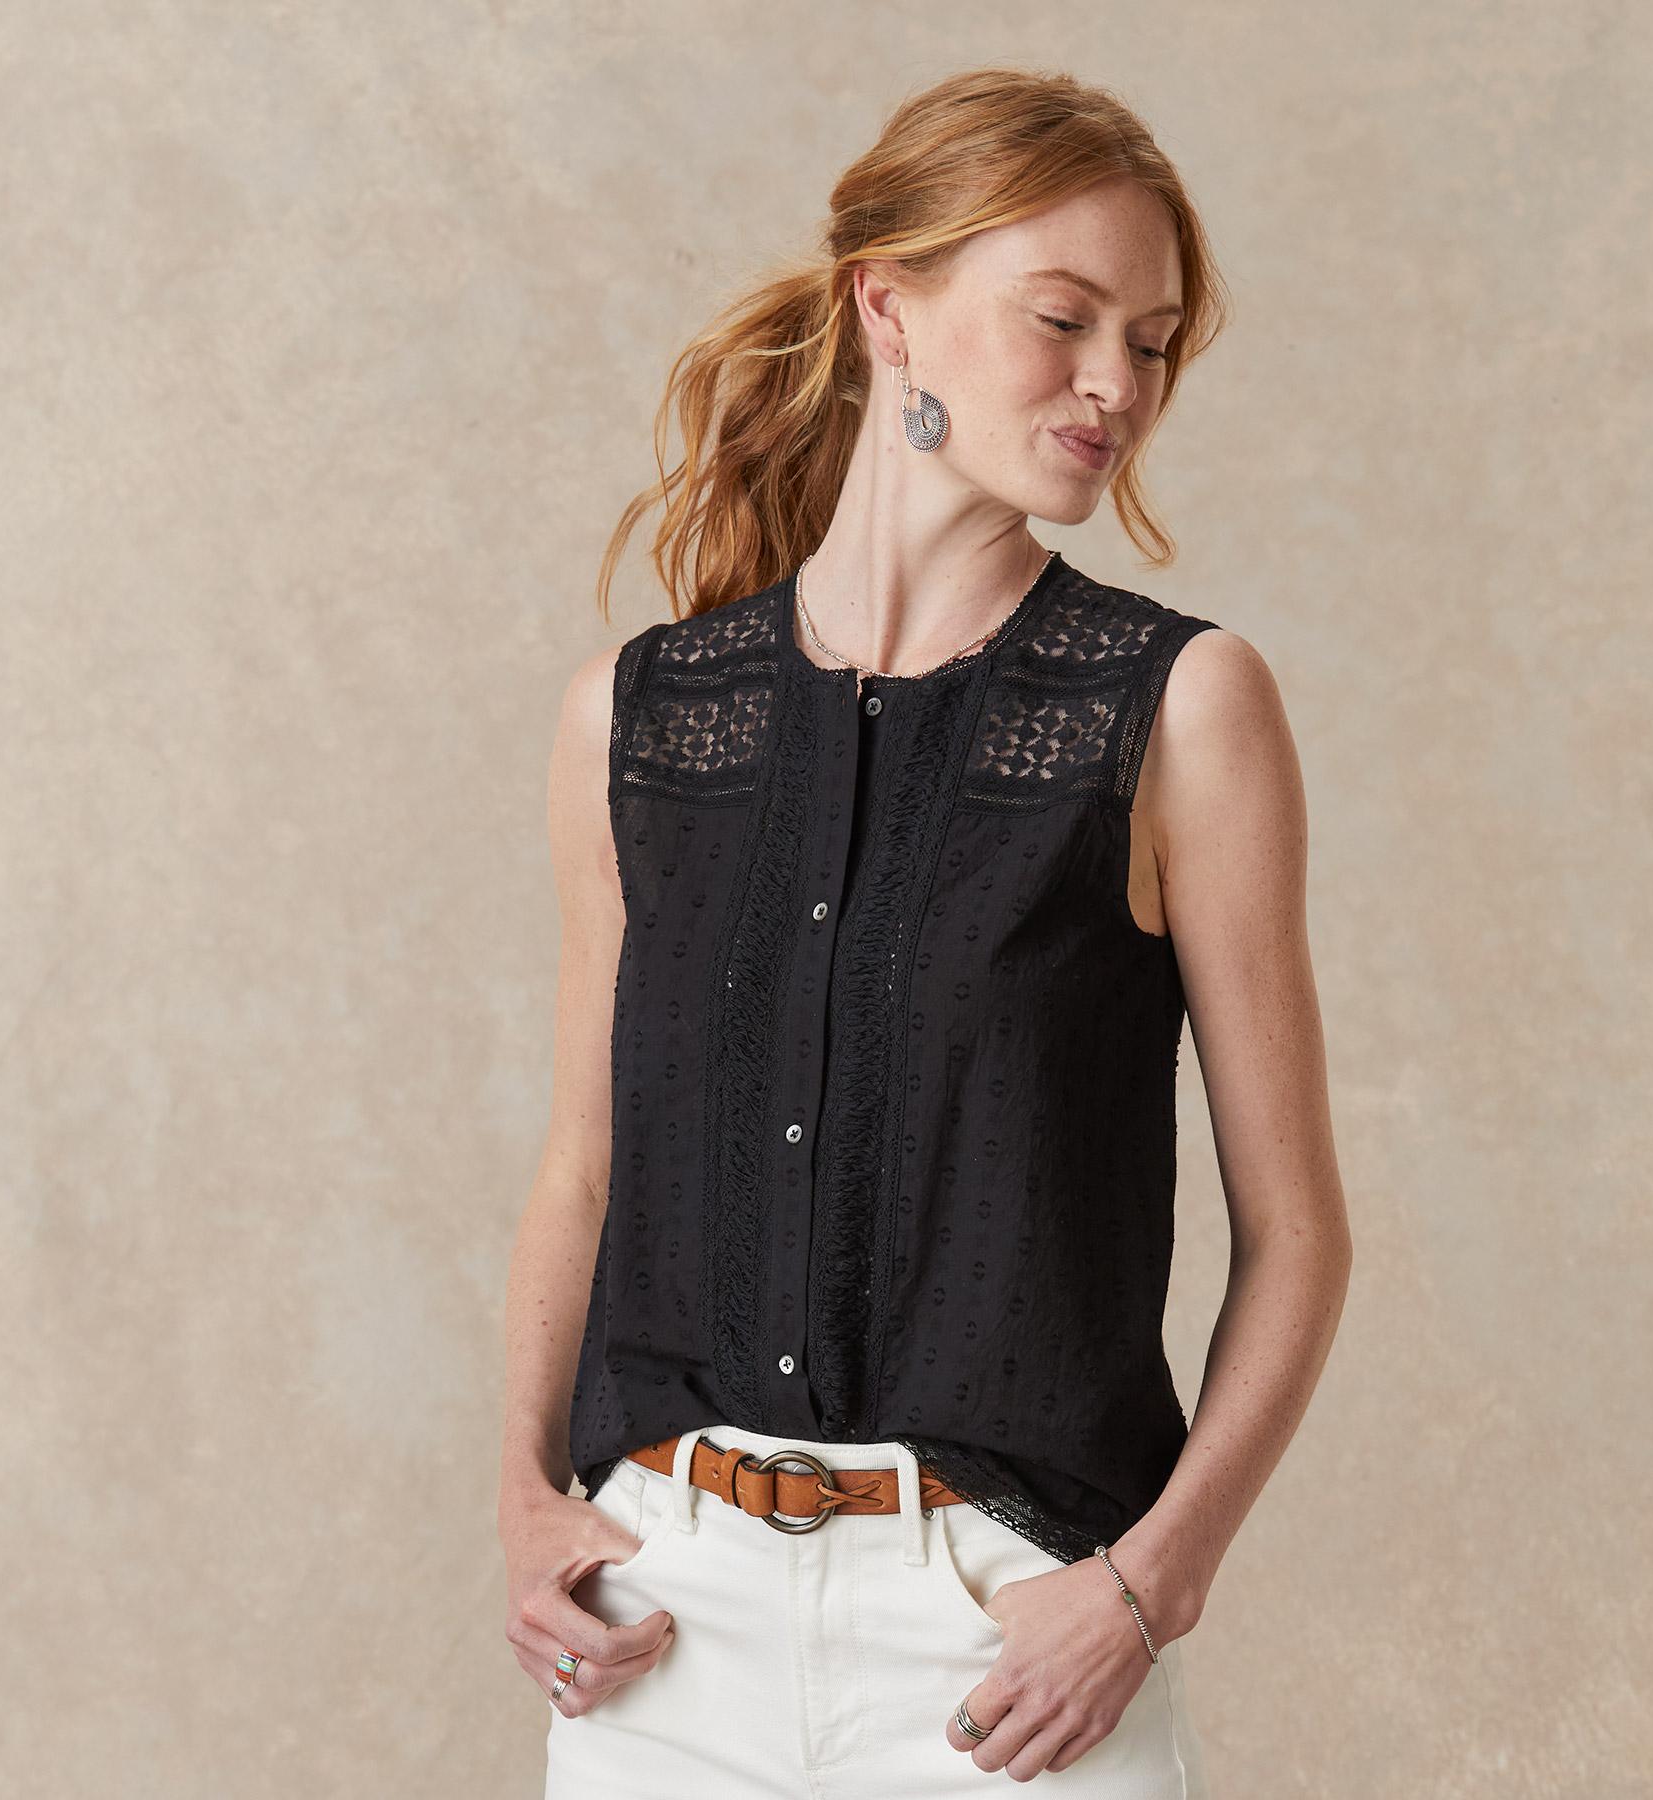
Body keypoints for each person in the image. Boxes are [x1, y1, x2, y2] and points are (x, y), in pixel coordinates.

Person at [498, 65, 1352, 1795]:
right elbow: (586, 1167)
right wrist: (521, 1495)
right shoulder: (639, 719)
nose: (1118, 385)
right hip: (665, 1635)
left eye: (1153, 343)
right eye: (1065, 319)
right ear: (889, 309)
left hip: (1006, 1649)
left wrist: (1150, 1585)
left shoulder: (1179, 709)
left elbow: (1298, 1233)